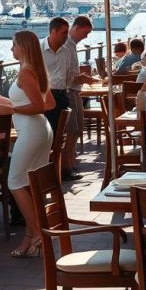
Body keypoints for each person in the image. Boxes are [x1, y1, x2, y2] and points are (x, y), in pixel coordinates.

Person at [7, 30, 54, 258]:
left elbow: (39, 105)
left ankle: (37, 234)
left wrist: (11, 108)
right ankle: (29, 238)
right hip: (41, 129)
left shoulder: (26, 72)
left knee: (14, 182)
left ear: (23, 47)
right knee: (28, 185)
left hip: (31, 130)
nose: (11, 49)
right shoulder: (36, 70)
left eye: (14, 45)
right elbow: (50, 102)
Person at [41, 17, 96, 180]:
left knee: (69, 131)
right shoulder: (42, 49)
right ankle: (63, 166)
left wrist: (75, 80)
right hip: (54, 94)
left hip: (63, 93)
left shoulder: (66, 49)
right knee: (67, 131)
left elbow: (68, 75)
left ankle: (66, 166)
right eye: (85, 33)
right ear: (54, 31)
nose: (86, 37)